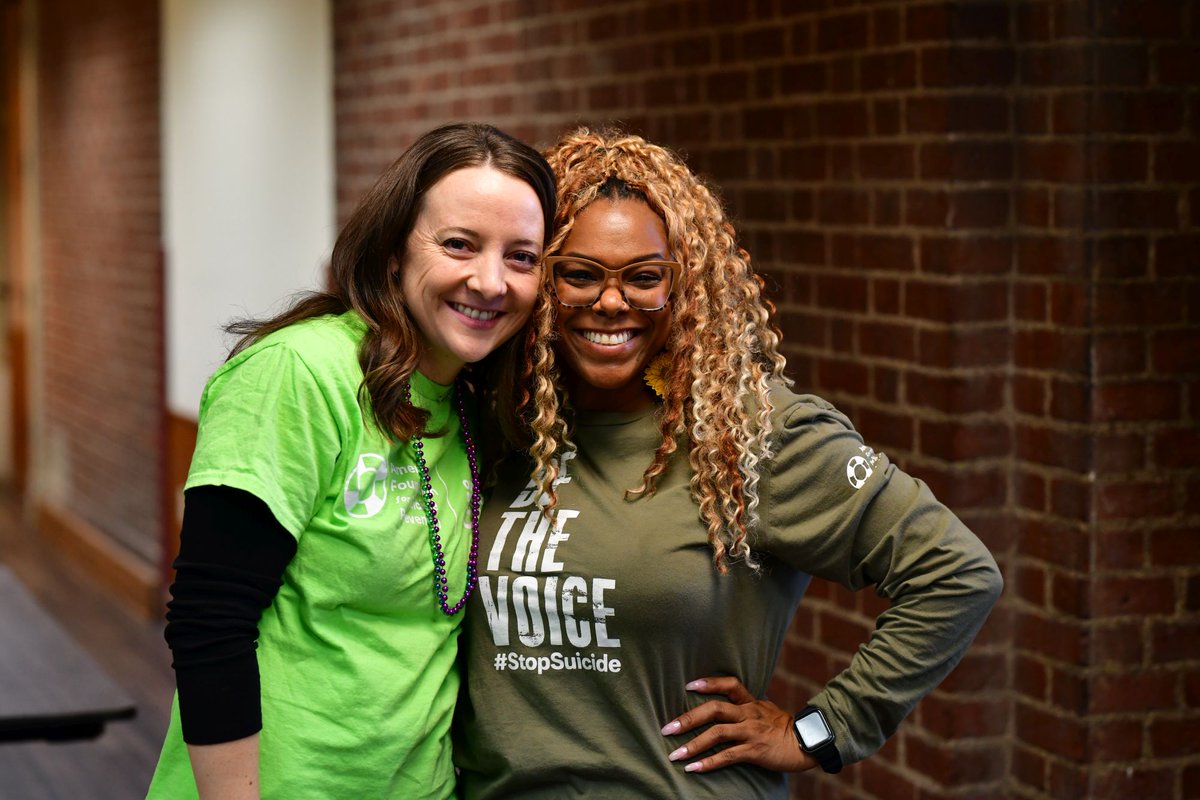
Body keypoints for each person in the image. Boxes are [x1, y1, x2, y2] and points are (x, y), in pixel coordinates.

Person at [453, 128, 1004, 799]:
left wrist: (822, 730)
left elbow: (956, 571)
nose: (611, 301)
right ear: (541, 278)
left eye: (644, 278)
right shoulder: (497, 425)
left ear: (683, 288)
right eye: (580, 273)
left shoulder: (747, 433)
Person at [147, 122, 555, 800]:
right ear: (394, 249)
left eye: (522, 257)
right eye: (459, 244)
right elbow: (209, 620)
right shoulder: (300, 372)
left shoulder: (476, 402)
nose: (491, 281)